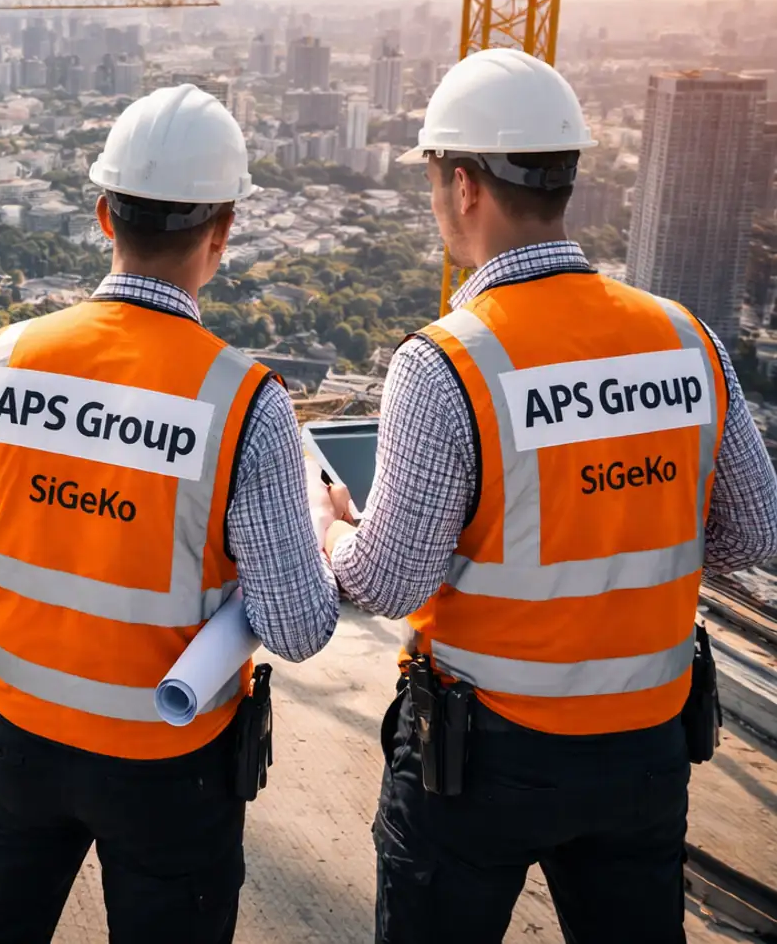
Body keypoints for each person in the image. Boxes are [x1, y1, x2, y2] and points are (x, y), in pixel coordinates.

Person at [311, 47, 777, 944]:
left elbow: (388, 581)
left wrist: (333, 531)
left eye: (435, 182)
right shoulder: (687, 339)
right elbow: (750, 532)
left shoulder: (449, 363)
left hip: (482, 755)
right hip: (646, 744)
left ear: (464, 185)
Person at [0, 84, 341, 944]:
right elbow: (296, 626)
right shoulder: (245, 403)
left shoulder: (0, 361)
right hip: (170, 760)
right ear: (222, 231)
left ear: (103, 215)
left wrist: (19, 553)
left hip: (18, 732)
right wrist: (315, 523)